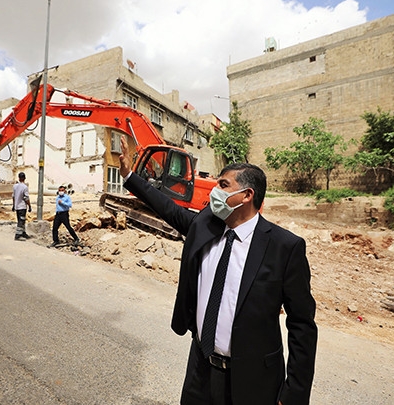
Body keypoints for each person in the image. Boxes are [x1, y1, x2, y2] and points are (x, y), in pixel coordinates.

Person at [118, 136, 317, 405]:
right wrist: (130, 176)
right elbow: (169, 209)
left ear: (247, 196)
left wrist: (294, 393)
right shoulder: (206, 225)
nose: (215, 191)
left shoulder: (285, 247)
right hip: (200, 369)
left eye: (223, 185)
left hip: (252, 380)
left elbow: (302, 325)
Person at [12, 172, 32, 241]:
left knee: (21, 220)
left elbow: (13, 196)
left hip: (17, 206)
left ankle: (23, 233)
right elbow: (26, 198)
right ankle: (18, 235)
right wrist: (29, 205)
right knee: (21, 221)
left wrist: (13, 205)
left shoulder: (15, 186)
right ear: (24, 178)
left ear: (19, 178)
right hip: (22, 206)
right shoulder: (25, 187)